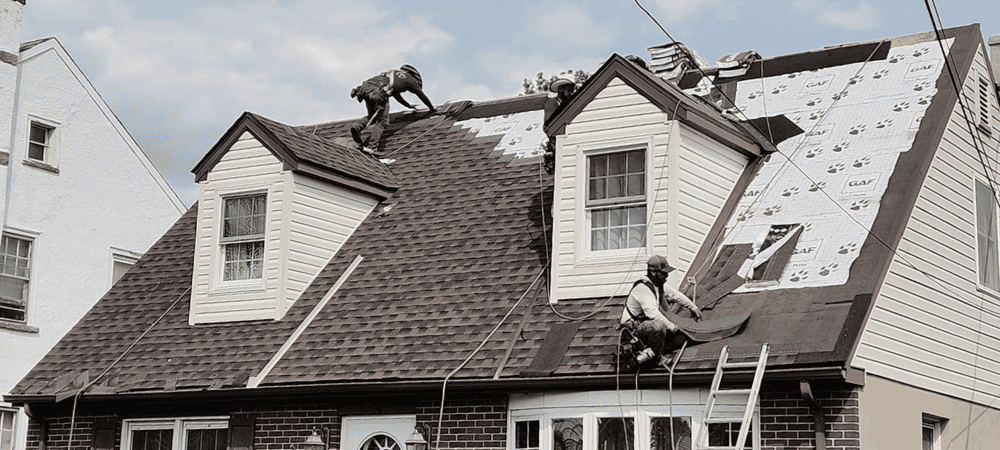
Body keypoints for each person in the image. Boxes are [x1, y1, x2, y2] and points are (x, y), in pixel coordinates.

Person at [620, 255, 703, 358]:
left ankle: (652, 351)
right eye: (663, 273)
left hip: (647, 328)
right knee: (659, 326)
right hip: (633, 332)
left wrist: (693, 307)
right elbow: (652, 313)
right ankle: (655, 358)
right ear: (653, 272)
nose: (666, 277)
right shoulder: (643, 289)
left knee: (682, 338)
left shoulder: (658, 285)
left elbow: (675, 295)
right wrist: (671, 326)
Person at [350, 64, 435, 153]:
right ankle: (372, 147)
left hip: (365, 87)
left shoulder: (393, 75)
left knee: (372, 116)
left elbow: (396, 95)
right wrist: (432, 108)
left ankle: (357, 126)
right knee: (382, 122)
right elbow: (422, 96)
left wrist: (408, 105)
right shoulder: (412, 81)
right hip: (379, 90)